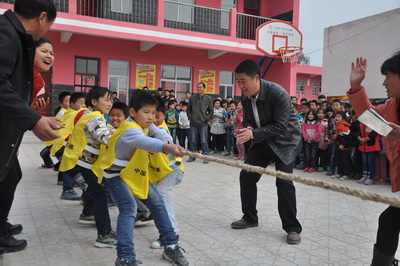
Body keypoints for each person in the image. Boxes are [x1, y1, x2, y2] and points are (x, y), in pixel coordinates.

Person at [92, 90, 188, 266]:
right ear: (133, 112)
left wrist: (169, 142)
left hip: (133, 174)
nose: (151, 117)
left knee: (157, 203)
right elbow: (146, 142)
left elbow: (160, 133)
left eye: (153, 112)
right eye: (146, 112)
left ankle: (171, 246)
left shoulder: (145, 124)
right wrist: (167, 148)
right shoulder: (129, 129)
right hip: (115, 175)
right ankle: (125, 257)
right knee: (128, 208)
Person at [0, 0, 59, 253]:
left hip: (8, 127)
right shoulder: (6, 33)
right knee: (7, 176)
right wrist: (33, 119)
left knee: (10, 175)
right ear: (42, 17)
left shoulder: (15, 35)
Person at [230, 59, 302, 245]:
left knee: (283, 182)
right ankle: (250, 217)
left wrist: (253, 133)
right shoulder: (245, 98)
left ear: (256, 78)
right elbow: (248, 120)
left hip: (286, 142)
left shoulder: (278, 94)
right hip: (263, 140)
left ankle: (292, 228)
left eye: (243, 81)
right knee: (247, 175)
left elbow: (281, 126)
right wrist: (247, 129)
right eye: (237, 81)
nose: (240, 86)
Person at [347, 55, 400, 265]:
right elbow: (371, 120)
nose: (384, 83)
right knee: (389, 220)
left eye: (388, 76)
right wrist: (355, 86)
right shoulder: (391, 106)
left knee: (389, 220)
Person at [59, 87, 117, 248]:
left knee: (94, 188)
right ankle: (104, 235)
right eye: (106, 100)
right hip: (80, 164)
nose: (109, 103)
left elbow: (104, 130)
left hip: (78, 162)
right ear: (94, 101)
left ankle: (87, 214)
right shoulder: (95, 118)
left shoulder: (91, 114)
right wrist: (128, 135)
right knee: (100, 193)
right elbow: (106, 138)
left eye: (111, 100)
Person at [186, 82, 213, 163]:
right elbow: (188, 109)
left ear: (204, 88)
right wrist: (190, 117)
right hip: (193, 123)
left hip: (203, 123)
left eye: (200, 87)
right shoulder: (192, 98)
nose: (199, 89)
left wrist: (206, 119)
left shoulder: (208, 99)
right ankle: (192, 156)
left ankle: (206, 157)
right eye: (198, 87)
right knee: (193, 140)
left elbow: (211, 111)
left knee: (204, 141)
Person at [331, 111, 353, 181]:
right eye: (336, 116)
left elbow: (348, 137)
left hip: (345, 147)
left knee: (345, 161)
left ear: (343, 119)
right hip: (339, 145)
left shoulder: (344, 126)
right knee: (338, 159)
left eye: (339, 117)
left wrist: (343, 145)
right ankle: (339, 173)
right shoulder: (337, 125)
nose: (337, 118)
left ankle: (346, 174)